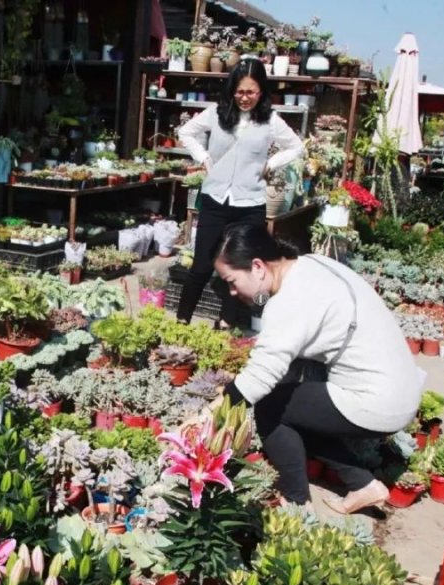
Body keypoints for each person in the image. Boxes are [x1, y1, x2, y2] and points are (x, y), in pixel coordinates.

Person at [213, 223, 423, 513]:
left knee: (270, 408)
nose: (232, 291)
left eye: (232, 281)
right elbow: (266, 301)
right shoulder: (308, 264)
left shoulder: (289, 302)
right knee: (297, 407)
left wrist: (213, 411)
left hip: (377, 401)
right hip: (400, 390)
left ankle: (296, 503)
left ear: (258, 266)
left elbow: (259, 378)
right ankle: (363, 484)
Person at [176, 58, 304, 329]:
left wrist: (271, 164)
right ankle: (181, 320)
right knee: (201, 265)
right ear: (232, 89)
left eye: (251, 92)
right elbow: (186, 132)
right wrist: (203, 156)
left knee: (242, 267)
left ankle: (226, 323)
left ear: (261, 92)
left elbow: (296, 147)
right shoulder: (216, 113)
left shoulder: (270, 120)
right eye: (240, 91)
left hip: (250, 204)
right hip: (216, 200)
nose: (245, 98)